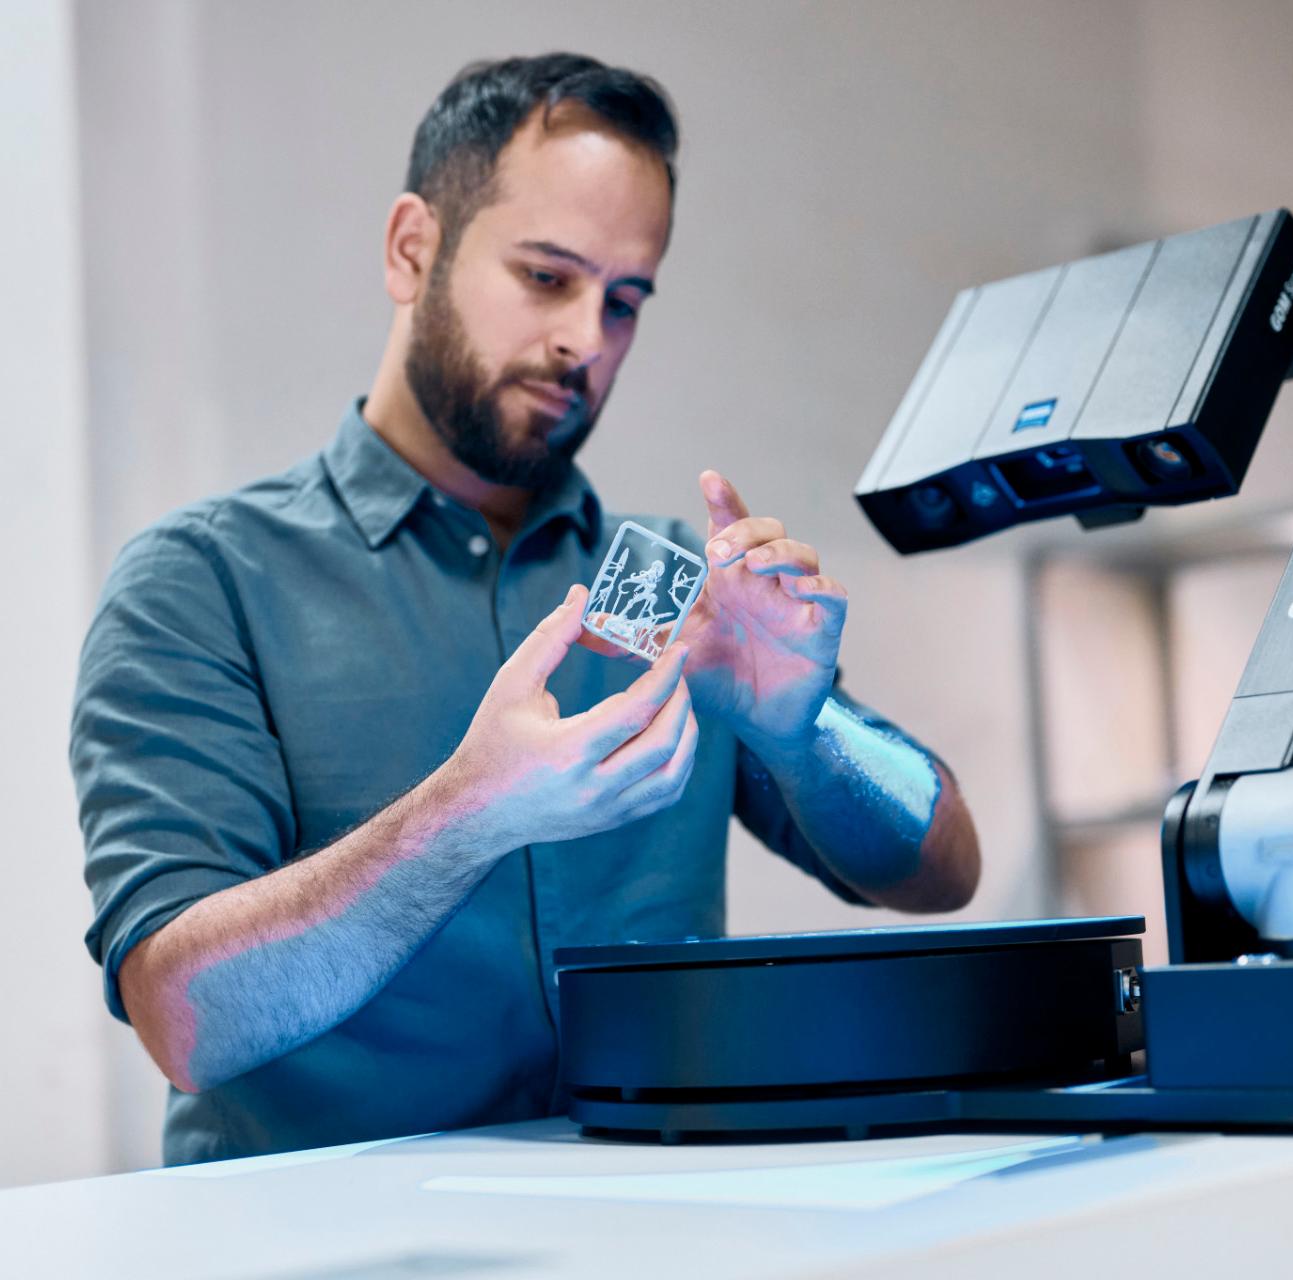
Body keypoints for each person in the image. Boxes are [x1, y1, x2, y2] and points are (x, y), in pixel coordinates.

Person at [71, 53, 981, 1165]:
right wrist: (468, 815)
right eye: (548, 276)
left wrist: (809, 728)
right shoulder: (203, 582)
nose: (586, 340)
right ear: (414, 248)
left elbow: (944, 866)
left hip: (659, 1234)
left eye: (626, 299)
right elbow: (186, 1016)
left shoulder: (677, 592)